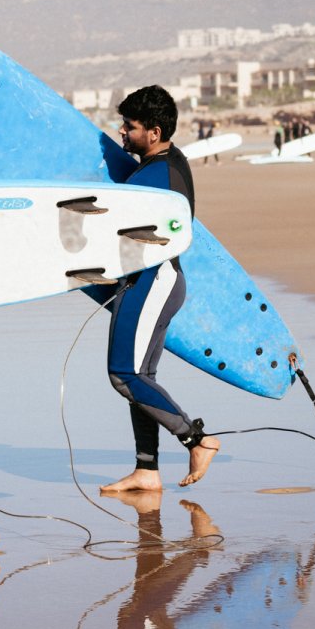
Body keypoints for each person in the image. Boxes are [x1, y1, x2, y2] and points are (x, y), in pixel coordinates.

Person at [101, 85, 220, 496]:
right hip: (151, 279)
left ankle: (197, 439)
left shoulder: (156, 175)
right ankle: (147, 469)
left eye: (129, 127)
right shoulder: (166, 163)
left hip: (154, 279)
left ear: (153, 132)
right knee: (143, 376)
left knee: (124, 375)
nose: (122, 132)